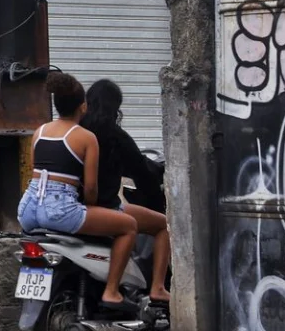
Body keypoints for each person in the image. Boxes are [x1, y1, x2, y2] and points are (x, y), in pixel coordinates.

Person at [17, 71, 141, 313]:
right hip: (59, 209)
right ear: (82, 106)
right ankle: (112, 292)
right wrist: (91, 205)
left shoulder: (39, 132)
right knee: (129, 226)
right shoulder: (86, 138)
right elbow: (91, 187)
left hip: (28, 209)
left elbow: (37, 172)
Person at [80, 79, 171, 304]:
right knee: (163, 225)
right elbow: (141, 172)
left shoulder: (75, 131)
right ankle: (158, 288)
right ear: (116, 107)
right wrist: (154, 196)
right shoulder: (115, 136)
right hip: (104, 208)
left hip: (72, 207)